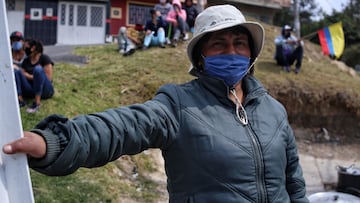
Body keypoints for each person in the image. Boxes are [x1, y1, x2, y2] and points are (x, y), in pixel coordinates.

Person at [2, 4, 309, 202]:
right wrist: (55, 142)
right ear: (201, 56)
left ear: (250, 53)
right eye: (219, 43)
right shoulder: (178, 104)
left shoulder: (274, 111)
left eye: (239, 43)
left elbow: (293, 182)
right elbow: (122, 128)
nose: (231, 51)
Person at [15, 39, 54, 113]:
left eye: (26, 47)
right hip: (31, 88)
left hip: (45, 89)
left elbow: (48, 78)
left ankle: (37, 103)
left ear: (33, 48)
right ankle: (20, 100)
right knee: (17, 72)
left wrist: (29, 76)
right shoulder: (26, 61)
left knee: (38, 70)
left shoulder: (44, 58)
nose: (25, 49)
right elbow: (22, 74)